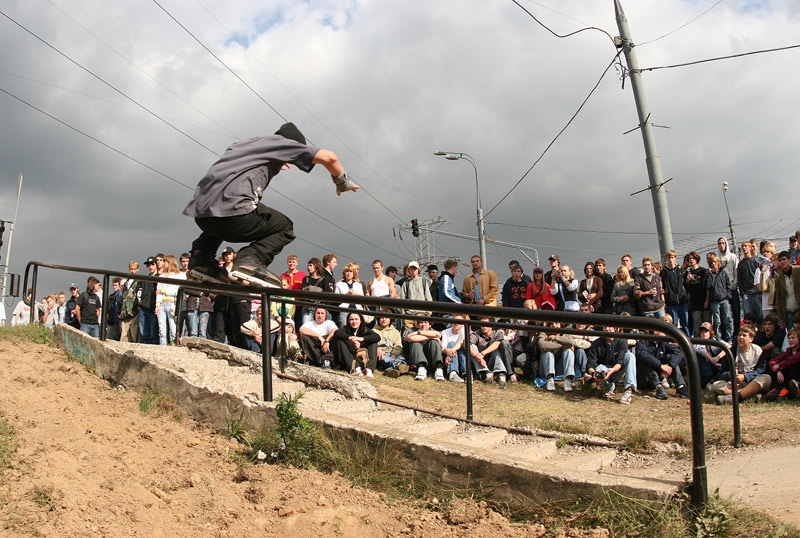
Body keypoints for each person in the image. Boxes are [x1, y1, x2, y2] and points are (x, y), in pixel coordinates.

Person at [183, 122, 358, 283]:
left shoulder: (244, 145)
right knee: (285, 227)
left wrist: (278, 161)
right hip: (236, 215)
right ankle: (250, 259)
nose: (289, 164)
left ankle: (201, 257)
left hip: (202, 215)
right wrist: (341, 181)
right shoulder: (281, 143)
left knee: (222, 210)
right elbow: (329, 157)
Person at [634, 318, 689, 400]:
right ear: (655, 331)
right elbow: (642, 354)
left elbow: (678, 352)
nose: (665, 333)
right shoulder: (643, 341)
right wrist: (660, 366)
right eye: (663, 330)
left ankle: (680, 386)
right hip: (644, 379)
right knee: (645, 360)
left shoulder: (663, 343)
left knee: (670, 357)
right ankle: (658, 387)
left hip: (659, 375)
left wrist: (670, 366)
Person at [714, 325, 770, 404]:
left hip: (751, 382)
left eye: (744, 335)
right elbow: (721, 374)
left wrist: (745, 377)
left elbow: (762, 370)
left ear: (751, 338)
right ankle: (749, 395)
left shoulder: (757, 350)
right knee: (715, 385)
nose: (741, 337)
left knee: (766, 378)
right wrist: (729, 374)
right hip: (735, 385)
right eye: (739, 335)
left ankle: (736, 398)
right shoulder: (731, 351)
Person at [586, 326, 637, 404]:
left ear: (615, 328)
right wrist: (593, 373)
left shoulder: (622, 341)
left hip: (617, 370)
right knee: (599, 368)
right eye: (605, 327)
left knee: (630, 356)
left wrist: (612, 370)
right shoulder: (597, 343)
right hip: (603, 370)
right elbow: (590, 364)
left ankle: (629, 390)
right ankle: (608, 387)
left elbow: (619, 362)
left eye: (610, 327)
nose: (607, 329)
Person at [332, 312, 379, 376]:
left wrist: (360, 339)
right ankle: (355, 368)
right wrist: (350, 338)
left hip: (361, 355)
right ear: (348, 321)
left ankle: (368, 369)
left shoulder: (365, 329)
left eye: (356, 319)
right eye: (352, 319)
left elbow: (377, 337)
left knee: (373, 343)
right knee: (340, 341)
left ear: (360, 321)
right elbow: (337, 333)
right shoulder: (345, 329)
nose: (354, 322)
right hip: (349, 355)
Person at [469, 317, 513, 385]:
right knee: (472, 347)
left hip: (493, 360)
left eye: (486, 324)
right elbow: (467, 343)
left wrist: (482, 353)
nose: (483, 327)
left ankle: (500, 373)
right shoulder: (477, 334)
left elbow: (497, 343)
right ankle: (486, 373)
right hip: (480, 362)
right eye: (481, 324)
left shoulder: (498, 332)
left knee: (496, 347)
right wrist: (477, 356)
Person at [537, 321, 576, 392]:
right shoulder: (543, 333)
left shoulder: (565, 333)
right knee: (547, 351)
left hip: (560, 369)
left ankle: (568, 380)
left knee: (568, 351)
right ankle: (550, 379)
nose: (554, 326)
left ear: (561, 325)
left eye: (556, 323)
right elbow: (543, 346)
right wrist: (564, 344)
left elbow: (571, 342)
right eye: (551, 324)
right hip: (545, 370)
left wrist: (554, 337)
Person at [403, 315, 443, 381]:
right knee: (415, 343)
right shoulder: (413, 332)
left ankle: (438, 369)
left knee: (434, 342)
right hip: (416, 364)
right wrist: (427, 335)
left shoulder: (433, 331)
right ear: (418, 325)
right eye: (421, 322)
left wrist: (432, 337)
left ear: (430, 325)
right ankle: (421, 368)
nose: (423, 324)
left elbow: (438, 335)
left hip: (431, 361)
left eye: (425, 322)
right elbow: (411, 338)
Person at [156, 255, 184, 346]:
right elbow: (158, 291)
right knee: (162, 329)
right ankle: (163, 347)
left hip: (172, 303)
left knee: (173, 328)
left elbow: (177, 291)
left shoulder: (179, 276)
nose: (163, 263)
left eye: (165, 261)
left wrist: (163, 291)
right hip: (162, 304)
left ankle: (174, 346)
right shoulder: (161, 276)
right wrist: (157, 305)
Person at [765, 328, 800, 401]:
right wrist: (778, 371)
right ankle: (778, 389)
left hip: (796, 376)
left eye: (793, 338)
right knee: (773, 368)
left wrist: (779, 365)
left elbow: (792, 359)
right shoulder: (788, 351)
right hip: (786, 378)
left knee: (794, 365)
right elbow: (773, 361)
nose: (790, 340)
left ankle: (788, 390)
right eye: (789, 338)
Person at [705, 254, 733, 343]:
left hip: (724, 299)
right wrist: (708, 275)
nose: (713, 264)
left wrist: (728, 296)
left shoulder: (723, 273)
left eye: (715, 262)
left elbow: (728, 285)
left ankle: (728, 338)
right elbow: (706, 286)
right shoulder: (709, 274)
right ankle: (718, 339)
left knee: (727, 320)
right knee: (717, 322)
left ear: (718, 263)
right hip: (714, 301)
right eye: (711, 262)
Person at [662, 250, 689, 336]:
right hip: (671, 302)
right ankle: (675, 340)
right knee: (674, 323)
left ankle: (688, 340)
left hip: (682, 300)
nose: (670, 259)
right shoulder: (664, 272)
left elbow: (686, 283)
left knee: (685, 323)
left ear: (675, 258)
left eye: (672, 257)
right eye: (669, 257)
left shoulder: (681, 270)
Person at [398, 261, 432, 327]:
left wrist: (428, 313)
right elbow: (402, 299)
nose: (413, 271)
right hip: (409, 316)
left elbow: (428, 298)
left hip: (422, 315)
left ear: (418, 269)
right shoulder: (406, 283)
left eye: (415, 269)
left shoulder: (423, 281)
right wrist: (403, 314)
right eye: (411, 269)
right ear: (409, 270)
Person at [374, 311, 407, 377]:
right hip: (382, 353)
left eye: (386, 317)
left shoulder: (395, 332)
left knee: (401, 357)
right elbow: (372, 344)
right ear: (378, 319)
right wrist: (377, 349)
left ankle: (390, 370)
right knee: (384, 358)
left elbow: (398, 345)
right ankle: (399, 365)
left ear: (390, 319)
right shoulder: (374, 331)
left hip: (393, 352)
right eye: (381, 317)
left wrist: (394, 354)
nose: (384, 319)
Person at [683, 251, 710, 335]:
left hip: (704, 300)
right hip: (694, 303)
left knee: (707, 324)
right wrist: (687, 281)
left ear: (697, 259)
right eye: (689, 259)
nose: (691, 260)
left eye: (693, 258)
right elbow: (686, 289)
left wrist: (707, 300)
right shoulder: (687, 273)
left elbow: (707, 287)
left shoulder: (703, 271)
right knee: (697, 326)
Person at [334, 262, 366, 328]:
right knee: (343, 327)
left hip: (357, 310)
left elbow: (363, 300)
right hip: (344, 310)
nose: (348, 273)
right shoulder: (339, 284)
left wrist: (357, 294)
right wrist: (346, 294)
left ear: (353, 273)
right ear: (344, 273)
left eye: (350, 271)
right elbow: (336, 299)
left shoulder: (359, 285)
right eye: (347, 271)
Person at [774, 251, 800, 330]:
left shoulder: (798, 271)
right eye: (780, 260)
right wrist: (781, 318)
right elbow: (779, 299)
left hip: (799, 308)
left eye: (784, 259)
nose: (782, 262)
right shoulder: (778, 280)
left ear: (790, 260)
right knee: (792, 335)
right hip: (788, 312)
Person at [738, 239, 762, 323]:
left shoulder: (756, 261)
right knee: (748, 317)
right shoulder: (741, 264)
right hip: (746, 294)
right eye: (743, 246)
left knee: (760, 316)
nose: (744, 248)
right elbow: (739, 280)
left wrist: (760, 292)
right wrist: (742, 293)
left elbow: (760, 276)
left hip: (756, 292)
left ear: (750, 248)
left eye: (746, 246)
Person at [300, 258, 328, 325]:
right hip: (307, 308)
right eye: (308, 266)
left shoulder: (323, 280)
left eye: (310, 265)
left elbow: (327, 293)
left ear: (316, 266)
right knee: (306, 326)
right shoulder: (306, 279)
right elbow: (305, 291)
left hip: (319, 308)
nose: (308, 267)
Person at [137, 257, 159, 345]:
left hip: (153, 309)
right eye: (149, 265)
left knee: (153, 332)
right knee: (144, 333)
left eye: (152, 264)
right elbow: (139, 291)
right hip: (143, 308)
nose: (150, 267)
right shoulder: (145, 278)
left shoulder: (160, 278)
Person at [441, 314, 468, 382]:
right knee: (451, 343)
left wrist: (450, 353)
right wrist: (447, 351)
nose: (456, 323)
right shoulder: (445, 332)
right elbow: (443, 348)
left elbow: (462, 342)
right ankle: (452, 373)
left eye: (459, 321)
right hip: (450, 357)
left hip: (458, 355)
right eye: (454, 320)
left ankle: (467, 374)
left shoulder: (465, 331)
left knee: (463, 347)